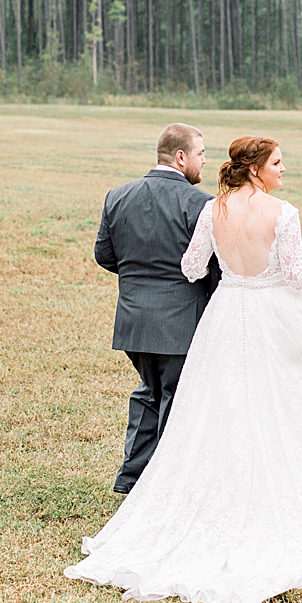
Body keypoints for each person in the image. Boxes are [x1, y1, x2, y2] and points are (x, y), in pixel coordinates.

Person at [66, 136, 302, 603]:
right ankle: (268, 500)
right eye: (278, 163)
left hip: (224, 317)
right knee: (274, 405)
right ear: (258, 169)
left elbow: (192, 267)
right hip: (268, 317)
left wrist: (235, 272)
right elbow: (295, 274)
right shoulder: (283, 212)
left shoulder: (212, 210)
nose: (284, 170)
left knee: (216, 408)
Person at [92, 122, 218, 493]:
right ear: (181, 158)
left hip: (133, 322)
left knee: (150, 391)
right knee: (177, 399)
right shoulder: (201, 204)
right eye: (201, 154)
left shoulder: (118, 196)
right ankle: (162, 487)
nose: (204, 162)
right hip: (181, 324)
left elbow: (105, 255)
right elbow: (213, 268)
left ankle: (132, 479)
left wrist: (139, 278)